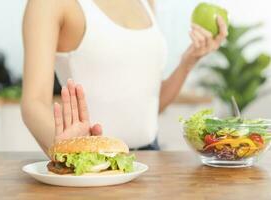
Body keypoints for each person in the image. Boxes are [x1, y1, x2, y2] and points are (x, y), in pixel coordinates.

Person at [21, 0, 228, 155]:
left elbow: (150, 105)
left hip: (150, 159)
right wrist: (70, 152)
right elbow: (33, 103)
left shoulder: (146, 2)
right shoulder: (50, 4)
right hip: (93, 164)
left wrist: (188, 62)